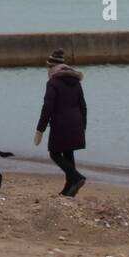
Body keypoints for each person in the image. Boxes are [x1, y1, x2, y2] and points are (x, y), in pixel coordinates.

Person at [35, 49, 88, 197]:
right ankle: (69, 188)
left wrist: (40, 130)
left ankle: (77, 177)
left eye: (48, 67)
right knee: (68, 152)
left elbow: (47, 108)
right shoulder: (76, 81)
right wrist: (83, 125)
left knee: (55, 153)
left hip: (61, 123)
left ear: (52, 67)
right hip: (76, 121)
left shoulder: (53, 83)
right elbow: (83, 105)